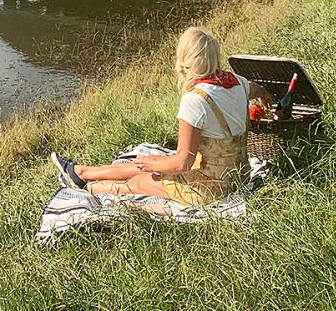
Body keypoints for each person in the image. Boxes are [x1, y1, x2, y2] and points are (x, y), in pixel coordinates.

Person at [50, 26, 274, 206]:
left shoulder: (195, 101)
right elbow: (256, 89)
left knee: (139, 180)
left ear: (184, 61)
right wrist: (266, 96)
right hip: (237, 177)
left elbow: (183, 162)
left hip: (209, 190)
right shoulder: (238, 82)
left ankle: (87, 189)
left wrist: (157, 165)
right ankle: (81, 171)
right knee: (144, 163)